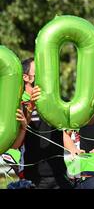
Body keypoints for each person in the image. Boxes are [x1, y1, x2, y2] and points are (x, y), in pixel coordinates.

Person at [11, 58, 73, 189]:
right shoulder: (18, 104)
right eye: (37, 71)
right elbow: (15, 144)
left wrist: (74, 150)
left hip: (60, 174)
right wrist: (31, 108)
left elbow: (64, 132)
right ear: (26, 77)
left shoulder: (58, 101)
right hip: (34, 177)